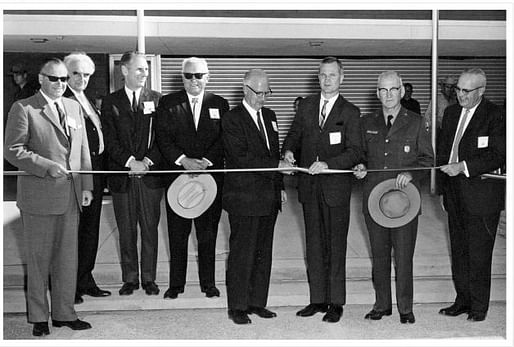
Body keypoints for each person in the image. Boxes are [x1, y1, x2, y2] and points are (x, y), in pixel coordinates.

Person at [4, 58, 93, 336]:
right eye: (54, 79)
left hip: (71, 195)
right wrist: (45, 166)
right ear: (41, 79)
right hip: (39, 197)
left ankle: (65, 313)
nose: (60, 84)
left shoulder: (74, 107)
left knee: (68, 260)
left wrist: (87, 185)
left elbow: (83, 151)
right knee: (39, 260)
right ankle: (39, 316)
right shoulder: (24, 108)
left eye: (64, 79)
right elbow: (12, 150)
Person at [282, 56, 362, 323]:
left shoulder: (350, 111)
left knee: (336, 247)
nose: (326, 80)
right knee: (314, 246)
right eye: (322, 75)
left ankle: (336, 302)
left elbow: (355, 151)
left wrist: (329, 164)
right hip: (309, 188)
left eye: (332, 75)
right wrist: (290, 151)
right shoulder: (305, 106)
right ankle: (317, 299)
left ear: (342, 78)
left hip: (335, 188)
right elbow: (294, 134)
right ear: (318, 78)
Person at [353, 71, 434, 324]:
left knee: (403, 256)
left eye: (393, 90)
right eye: (383, 90)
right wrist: (359, 167)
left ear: (402, 92)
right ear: (377, 93)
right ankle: (382, 305)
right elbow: (358, 155)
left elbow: (428, 160)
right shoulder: (366, 122)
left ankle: (406, 308)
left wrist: (411, 173)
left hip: (404, 204)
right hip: (374, 201)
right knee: (379, 257)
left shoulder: (417, 122)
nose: (388, 95)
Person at [155, 57, 229, 299]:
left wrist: (206, 162)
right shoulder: (168, 103)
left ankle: (209, 283)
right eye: (189, 76)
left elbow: (223, 139)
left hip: (209, 179)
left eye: (199, 75)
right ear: (182, 78)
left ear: (208, 76)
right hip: (178, 179)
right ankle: (176, 284)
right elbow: (163, 138)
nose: (194, 80)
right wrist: (183, 160)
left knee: (207, 234)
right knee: (178, 234)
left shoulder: (220, 103)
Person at [222, 69, 290, 325]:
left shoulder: (270, 116)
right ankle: (237, 306)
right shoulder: (232, 119)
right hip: (244, 197)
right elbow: (242, 158)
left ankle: (257, 302)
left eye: (266, 92)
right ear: (245, 89)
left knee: (263, 253)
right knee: (242, 253)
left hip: (268, 196)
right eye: (258, 92)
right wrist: (277, 166)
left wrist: (280, 184)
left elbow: (275, 150)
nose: (263, 98)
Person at [437, 68, 505, 322]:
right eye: (458, 89)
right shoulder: (451, 112)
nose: (460, 95)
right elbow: (444, 151)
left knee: (479, 254)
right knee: (460, 252)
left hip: (482, 197)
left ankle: (479, 307)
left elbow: (498, 154)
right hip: (454, 194)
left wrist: (463, 166)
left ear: (481, 91)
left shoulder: (495, 115)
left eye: (466, 91)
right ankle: (462, 300)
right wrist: (443, 190)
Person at [101, 52, 165, 297]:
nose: (144, 74)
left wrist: (147, 161)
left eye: (146, 70)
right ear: (124, 71)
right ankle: (130, 278)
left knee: (150, 229)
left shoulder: (157, 100)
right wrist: (130, 162)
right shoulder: (110, 102)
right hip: (122, 177)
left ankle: (149, 278)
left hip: (150, 176)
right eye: (139, 69)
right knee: (126, 230)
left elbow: (163, 138)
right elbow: (110, 138)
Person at [63, 52, 111, 304]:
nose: (82, 78)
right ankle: (68, 285)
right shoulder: (63, 99)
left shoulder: (87, 99)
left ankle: (85, 278)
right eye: (76, 73)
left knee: (90, 231)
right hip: (77, 177)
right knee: (73, 234)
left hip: (96, 174)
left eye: (87, 74)